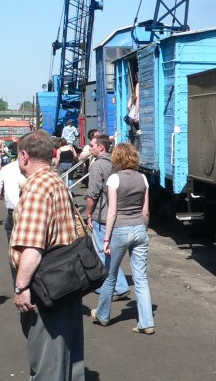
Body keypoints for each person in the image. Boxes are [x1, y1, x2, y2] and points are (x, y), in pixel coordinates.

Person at [11, 130, 84, 380]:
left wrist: (21, 288)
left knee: (47, 363)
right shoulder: (56, 181)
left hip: (46, 287)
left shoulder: (36, 188)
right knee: (69, 358)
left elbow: (32, 247)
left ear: (24, 156)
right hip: (67, 280)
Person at [91, 142, 154, 334]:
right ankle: (146, 322)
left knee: (110, 275)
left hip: (119, 230)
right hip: (139, 229)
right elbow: (145, 211)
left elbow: (112, 212)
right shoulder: (143, 178)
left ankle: (103, 314)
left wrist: (106, 238)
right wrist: (143, 229)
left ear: (117, 158)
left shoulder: (114, 179)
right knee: (141, 278)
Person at [84, 134, 129, 299]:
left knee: (103, 252)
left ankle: (119, 286)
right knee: (111, 251)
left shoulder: (97, 166)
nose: (90, 148)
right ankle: (113, 285)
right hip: (118, 214)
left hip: (102, 215)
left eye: (92, 146)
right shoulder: (117, 164)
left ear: (101, 147)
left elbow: (93, 194)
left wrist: (88, 214)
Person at [0, 159, 27, 280]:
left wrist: (5, 198)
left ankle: (17, 282)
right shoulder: (30, 168)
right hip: (27, 210)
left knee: (13, 250)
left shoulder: (6, 168)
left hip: (12, 213)